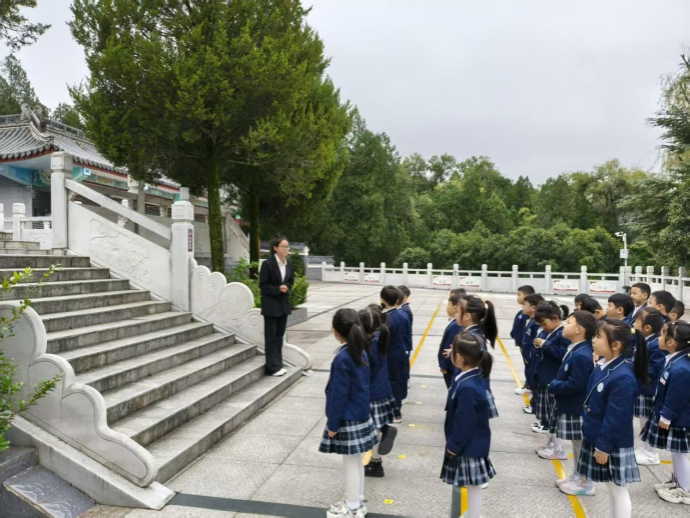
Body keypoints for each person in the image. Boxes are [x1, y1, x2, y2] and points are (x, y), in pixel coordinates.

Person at [560, 319, 647, 517]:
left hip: (611, 442)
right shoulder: (604, 365)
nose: (593, 340)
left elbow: (617, 417)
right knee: (612, 489)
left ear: (615, 345)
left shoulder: (622, 376)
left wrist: (604, 446)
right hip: (599, 435)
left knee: (618, 490)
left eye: (598, 337)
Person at [320, 309, 378, 518]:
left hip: (347, 416)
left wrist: (333, 425)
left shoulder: (343, 358)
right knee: (357, 461)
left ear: (335, 331)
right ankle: (357, 501)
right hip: (361, 414)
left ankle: (352, 508)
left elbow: (338, 395)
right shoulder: (360, 351)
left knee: (351, 463)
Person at [440, 332, 496, 518]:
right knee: (473, 485)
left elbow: (465, 421)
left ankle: (475, 515)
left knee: (473, 485)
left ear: (459, 357)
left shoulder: (467, 386)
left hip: (470, 444)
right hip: (474, 442)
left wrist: (454, 445)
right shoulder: (472, 376)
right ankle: (473, 513)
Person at [640, 321, 690, 505]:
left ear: (671, 342)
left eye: (661, 334)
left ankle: (686, 489)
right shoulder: (674, 359)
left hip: (679, 418)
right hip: (675, 416)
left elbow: (677, 396)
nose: (658, 338)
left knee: (679, 453)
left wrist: (666, 415)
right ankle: (678, 482)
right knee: (676, 453)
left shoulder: (682, 367)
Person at [548, 311, 596, 487]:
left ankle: (584, 481)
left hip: (577, 406)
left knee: (580, 444)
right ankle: (577, 475)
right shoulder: (576, 349)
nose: (564, 325)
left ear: (578, 329)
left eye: (568, 323)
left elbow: (577, 384)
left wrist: (555, 385)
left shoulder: (582, 355)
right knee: (577, 443)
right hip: (572, 405)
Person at [359, 307, 398, 478]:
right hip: (383, 389)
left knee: (372, 430)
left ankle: (375, 464)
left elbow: (365, 371)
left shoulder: (369, 346)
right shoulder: (381, 337)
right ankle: (386, 429)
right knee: (377, 425)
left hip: (372, 392)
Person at [632, 308, 666, 466]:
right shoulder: (645, 341)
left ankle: (651, 454)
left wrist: (635, 369)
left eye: (637, 321)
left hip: (649, 390)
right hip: (643, 387)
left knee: (648, 421)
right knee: (643, 420)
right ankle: (645, 449)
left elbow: (655, 369)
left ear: (647, 327)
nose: (634, 323)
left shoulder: (655, 344)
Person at [531, 301, 570, 436]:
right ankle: (544, 422)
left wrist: (545, 344)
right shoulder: (547, 332)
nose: (543, 327)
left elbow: (563, 354)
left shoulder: (563, 334)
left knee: (550, 405)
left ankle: (548, 425)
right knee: (543, 403)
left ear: (555, 318)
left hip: (552, 375)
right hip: (542, 374)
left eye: (544, 323)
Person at [259, 235, 295, 376]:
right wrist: (277, 289)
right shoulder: (267, 264)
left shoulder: (288, 264)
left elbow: (291, 281)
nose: (286, 249)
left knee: (279, 336)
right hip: (271, 306)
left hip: (283, 306)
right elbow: (263, 285)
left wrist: (287, 287)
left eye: (287, 247)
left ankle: (278, 364)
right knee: (271, 337)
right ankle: (271, 368)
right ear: (275, 248)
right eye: (283, 247)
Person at [380, 286, 407, 422]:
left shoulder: (387, 319)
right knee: (397, 381)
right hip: (401, 351)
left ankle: (395, 412)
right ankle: (397, 410)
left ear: (382, 300)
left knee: (392, 382)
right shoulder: (402, 314)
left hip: (390, 354)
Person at [520, 293, 544, 413]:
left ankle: (535, 405)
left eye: (524, 304)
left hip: (532, 358)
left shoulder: (536, 323)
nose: (522, 306)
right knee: (531, 379)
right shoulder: (531, 321)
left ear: (533, 308)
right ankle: (534, 403)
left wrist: (530, 356)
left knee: (535, 383)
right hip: (528, 358)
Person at [438, 291, 465, 388]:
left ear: (454, 308)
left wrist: (444, 365)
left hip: (451, 367)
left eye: (448, 305)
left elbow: (449, 345)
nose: (446, 308)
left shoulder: (455, 326)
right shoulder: (454, 324)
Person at [512, 285, 534, 395]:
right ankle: (529, 384)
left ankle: (530, 385)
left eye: (519, 295)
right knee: (527, 365)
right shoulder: (522, 313)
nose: (517, 297)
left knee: (530, 365)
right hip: (522, 346)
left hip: (528, 347)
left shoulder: (529, 315)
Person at [397, 286, 414, 397]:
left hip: (404, 342)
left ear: (405, 297)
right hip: (404, 342)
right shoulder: (403, 310)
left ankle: (406, 380)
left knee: (404, 364)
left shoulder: (405, 311)